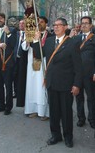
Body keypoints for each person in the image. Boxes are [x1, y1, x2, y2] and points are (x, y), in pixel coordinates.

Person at [33, 18, 82, 148]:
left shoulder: (72, 43)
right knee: (54, 112)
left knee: (66, 112)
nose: (56, 27)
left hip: (66, 84)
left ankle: (68, 137)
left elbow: (78, 66)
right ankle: (55, 135)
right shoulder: (48, 42)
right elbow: (38, 54)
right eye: (54, 25)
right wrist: (36, 40)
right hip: (51, 83)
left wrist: (77, 84)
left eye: (59, 25)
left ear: (65, 27)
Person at [22, 16, 53, 120]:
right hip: (32, 63)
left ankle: (44, 112)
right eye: (38, 22)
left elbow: (45, 51)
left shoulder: (50, 36)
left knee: (42, 88)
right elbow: (24, 47)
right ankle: (34, 110)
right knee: (32, 87)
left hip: (44, 64)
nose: (39, 23)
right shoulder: (32, 34)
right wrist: (28, 40)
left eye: (42, 22)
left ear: (46, 24)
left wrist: (38, 40)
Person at [74, 16, 95, 129]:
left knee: (90, 97)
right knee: (78, 97)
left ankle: (92, 118)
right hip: (77, 75)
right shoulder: (76, 38)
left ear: (90, 25)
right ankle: (81, 118)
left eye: (86, 23)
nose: (84, 25)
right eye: (82, 23)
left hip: (90, 74)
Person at [14, 19, 28, 107]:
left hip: (24, 59)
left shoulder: (28, 35)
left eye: (23, 23)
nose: (21, 25)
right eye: (20, 23)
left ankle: (23, 93)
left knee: (23, 76)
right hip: (16, 58)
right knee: (15, 76)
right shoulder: (16, 34)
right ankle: (16, 92)